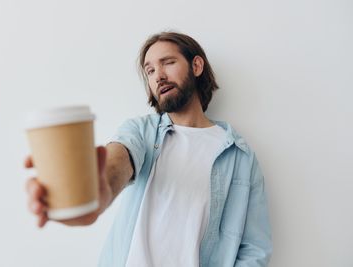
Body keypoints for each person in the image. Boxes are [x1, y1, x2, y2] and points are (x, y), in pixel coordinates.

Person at [25, 31, 272, 266]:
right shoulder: (142, 131)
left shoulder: (239, 155)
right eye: (150, 70)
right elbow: (118, 160)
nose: (158, 76)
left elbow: (255, 247)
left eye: (168, 62)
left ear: (196, 66)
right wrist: (98, 192)